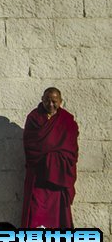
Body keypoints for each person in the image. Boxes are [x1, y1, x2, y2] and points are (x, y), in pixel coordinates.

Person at [21, 87, 79, 229]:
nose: (51, 104)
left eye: (54, 101)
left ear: (60, 101)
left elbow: (72, 149)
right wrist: (46, 156)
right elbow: (29, 144)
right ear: (42, 99)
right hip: (39, 174)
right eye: (47, 100)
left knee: (57, 212)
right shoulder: (34, 118)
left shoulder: (67, 120)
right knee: (36, 207)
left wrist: (55, 159)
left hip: (58, 175)